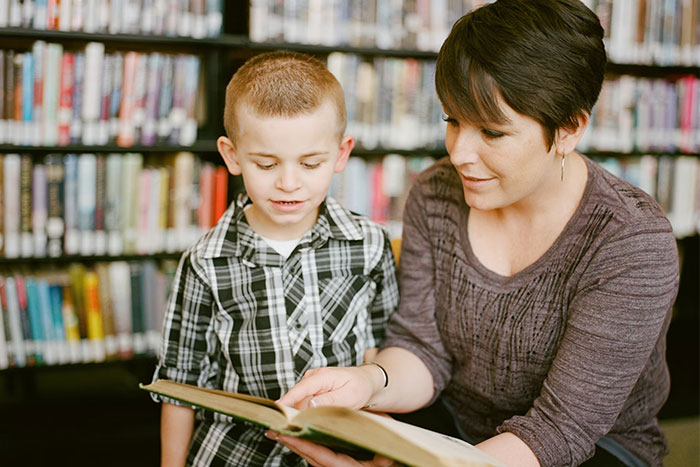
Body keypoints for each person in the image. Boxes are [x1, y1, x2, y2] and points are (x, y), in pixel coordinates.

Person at [272, 1, 679, 466]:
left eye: (491, 132)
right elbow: (422, 349)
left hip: (591, 450)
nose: (460, 152)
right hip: (454, 428)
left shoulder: (630, 241)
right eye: (453, 121)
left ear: (568, 130)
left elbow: (561, 429)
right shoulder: (435, 192)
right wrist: (368, 383)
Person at [152, 50, 399, 466]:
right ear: (232, 156)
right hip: (235, 454)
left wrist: (384, 460)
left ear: (341, 154)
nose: (288, 183)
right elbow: (179, 385)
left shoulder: (370, 244)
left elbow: (383, 358)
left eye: (310, 163)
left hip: (340, 452)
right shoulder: (205, 261)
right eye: (266, 164)